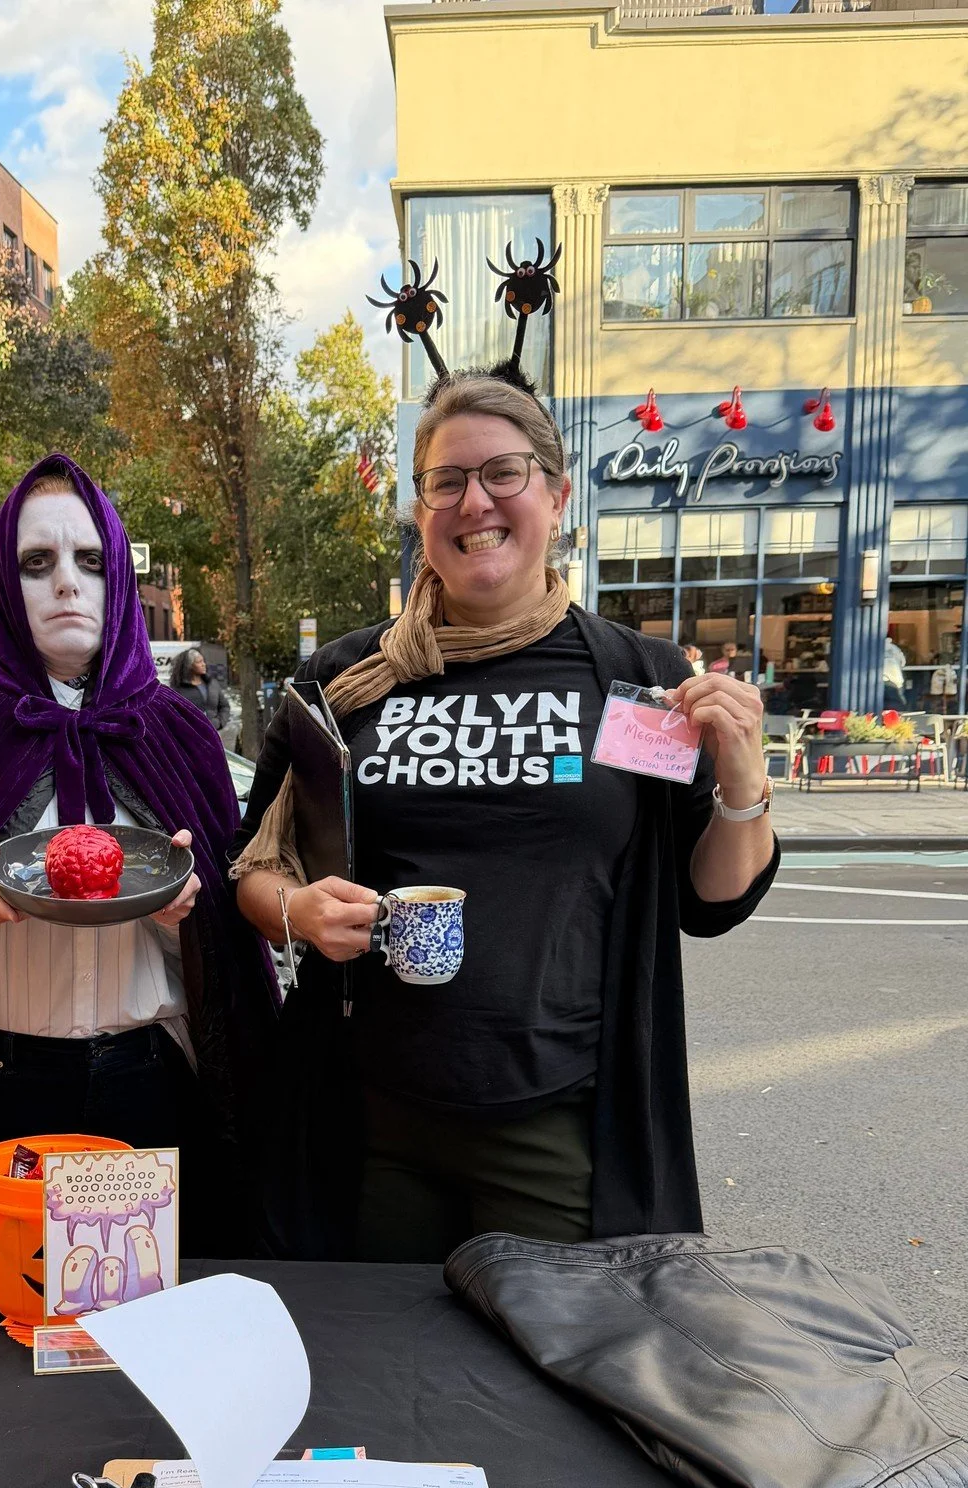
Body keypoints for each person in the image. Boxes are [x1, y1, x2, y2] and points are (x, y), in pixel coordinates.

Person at [231, 368, 778, 1262]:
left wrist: (742, 785)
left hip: (560, 1122)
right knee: (378, 1377)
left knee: (548, 1377)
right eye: (446, 481)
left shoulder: (632, 680)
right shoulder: (344, 681)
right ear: (421, 510)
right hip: (366, 1120)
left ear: (556, 496)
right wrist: (295, 913)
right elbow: (251, 865)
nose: (473, 502)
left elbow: (706, 901)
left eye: (504, 474)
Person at [0, 454, 277, 1259]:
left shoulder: (177, 732)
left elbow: (231, 952)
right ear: (6, 579)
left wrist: (185, 914)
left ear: (118, 580)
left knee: (139, 1332)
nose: (67, 583)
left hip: (149, 1080)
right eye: (39, 562)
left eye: (89, 561)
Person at [169, 646, 235, 741]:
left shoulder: (212, 684)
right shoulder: (178, 689)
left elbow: (224, 706)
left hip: (213, 737)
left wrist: (219, 723)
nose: (203, 664)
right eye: (199, 662)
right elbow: (172, 716)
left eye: (203, 661)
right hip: (189, 740)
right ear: (190, 665)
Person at [883, 634, 908, 711]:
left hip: (881, 679)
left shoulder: (873, 648)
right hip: (895, 680)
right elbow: (903, 662)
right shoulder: (895, 649)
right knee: (897, 705)